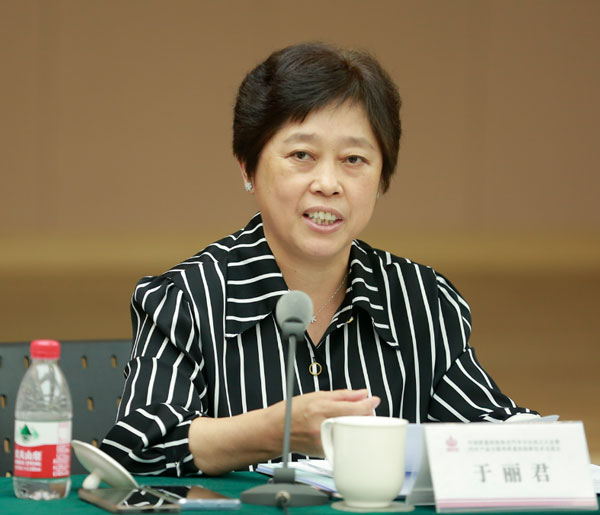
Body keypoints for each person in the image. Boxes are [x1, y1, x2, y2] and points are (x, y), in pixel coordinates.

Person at [100, 42, 537, 477]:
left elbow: (492, 431)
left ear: (382, 178)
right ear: (247, 167)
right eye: (302, 156)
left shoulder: (421, 300)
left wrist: (540, 441)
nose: (328, 183)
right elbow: (136, 449)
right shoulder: (186, 300)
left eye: (354, 160)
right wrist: (276, 431)